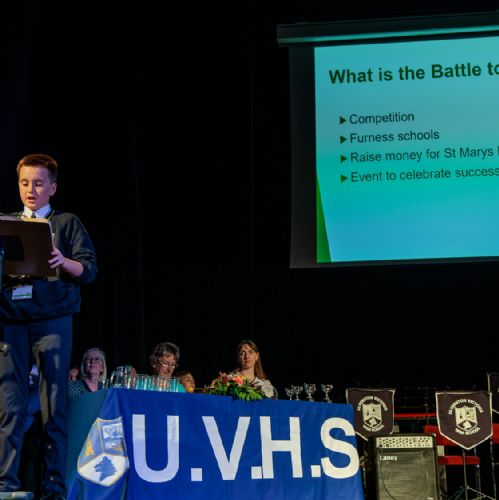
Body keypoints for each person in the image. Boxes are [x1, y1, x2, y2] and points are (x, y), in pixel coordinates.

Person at [0, 153, 97, 500]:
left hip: (52, 321)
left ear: (52, 188)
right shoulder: (7, 223)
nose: (31, 189)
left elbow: (89, 270)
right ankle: (5, 484)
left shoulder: (66, 223)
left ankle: (53, 487)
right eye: (25, 182)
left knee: (53, 405)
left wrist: (62, 260)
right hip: (12, 320)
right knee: (9, 405)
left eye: (39, 183)